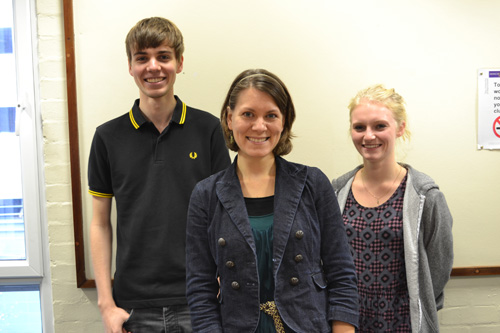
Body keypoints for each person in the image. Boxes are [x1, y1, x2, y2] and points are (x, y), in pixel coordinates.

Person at [185, 68, 359, 333]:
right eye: (248, 114)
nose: (259, 126)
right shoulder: (206, 195)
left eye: (271, 116)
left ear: (284, 121)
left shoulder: (313, 184)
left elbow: (342, 272)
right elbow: (200, 288)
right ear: (229, 119)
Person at [88, 17, 230, 333]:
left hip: (200, 300)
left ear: (179, 63)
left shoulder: (208, 130)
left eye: (163, 56)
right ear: (130, 66)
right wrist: (106, 304)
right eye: (142, 58)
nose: (153, 67)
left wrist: (223, 278)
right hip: (134, 306)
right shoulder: (107, 137)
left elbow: (225, 212)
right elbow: (99, 222)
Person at [331, 84, 453, 332]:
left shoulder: (425, 196)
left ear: (400, 128)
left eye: (379, 126)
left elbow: (438, 269)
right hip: (349, 322)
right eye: (359, 127)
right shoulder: (336, 191)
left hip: (403, 323)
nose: (368, 136)